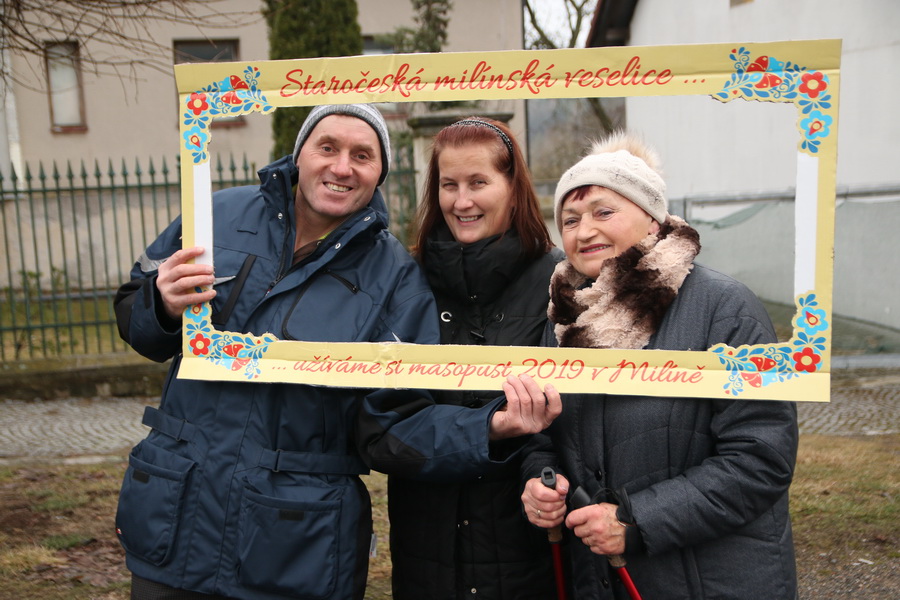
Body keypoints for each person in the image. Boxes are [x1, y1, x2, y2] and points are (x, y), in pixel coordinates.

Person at [520, 131, 799, 599]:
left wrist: (635, 520)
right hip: (603, 580)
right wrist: (541, 480)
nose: (583, 231)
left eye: (603, 212)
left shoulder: (726, 309)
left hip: (712, 583)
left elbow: (760, 458)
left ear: (652, 218)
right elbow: (544, 435)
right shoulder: (562, 320)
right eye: (569, 219)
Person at [360, 117, 564, 600]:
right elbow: (382, 432)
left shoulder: (560, 282)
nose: (461, 201)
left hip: (529, 556)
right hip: (428, 557)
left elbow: (581, 426)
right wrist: (490, 426)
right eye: (449, 185)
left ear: (513, 188)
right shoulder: (406, 283)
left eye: (478, 182)